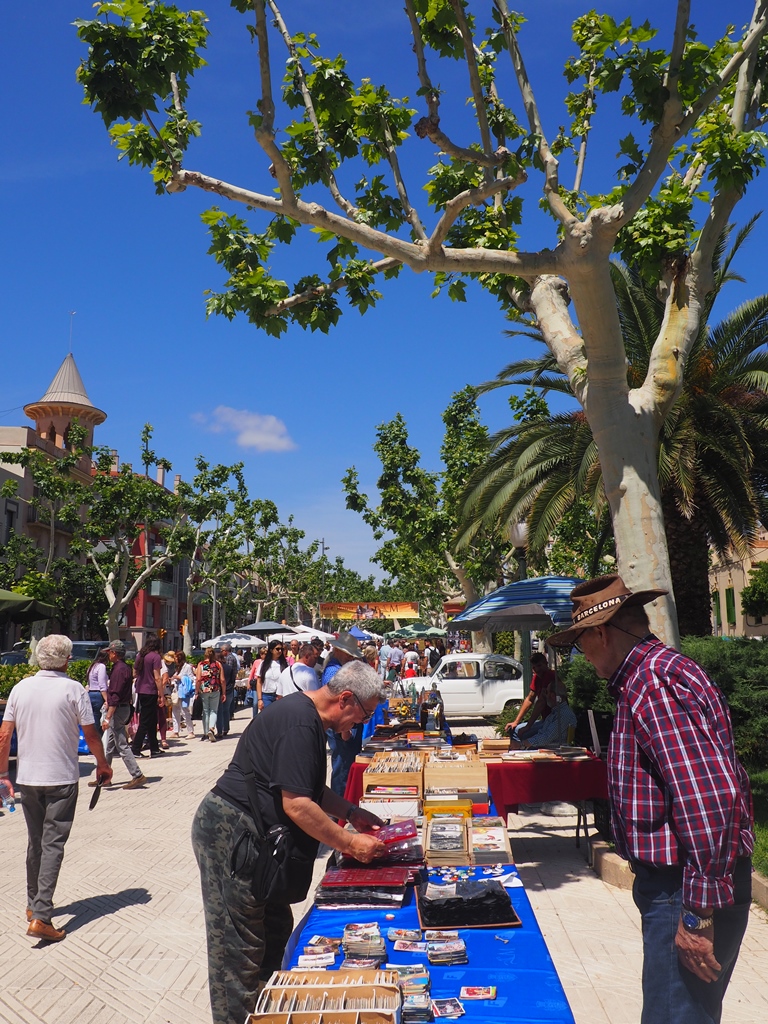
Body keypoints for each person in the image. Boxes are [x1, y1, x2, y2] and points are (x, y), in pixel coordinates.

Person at [547, 574, 753, 1024]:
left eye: (580, 642)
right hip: (680, 885)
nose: (582, 654)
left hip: (685, 887)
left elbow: (707, 798)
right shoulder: (646, 677)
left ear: (600, 632)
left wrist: (697, 915)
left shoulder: (652, 684)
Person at [191, 660, 387, 1024]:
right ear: (345, 699)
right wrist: (350, 843)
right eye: (365, 713)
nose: (362, 723)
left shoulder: (308, 718)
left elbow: (306, 786)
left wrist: (350, 811)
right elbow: (297, 805)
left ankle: (267, 1013)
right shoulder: (300, 721)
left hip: (259, 836)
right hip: (233, 834)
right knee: (238, 949)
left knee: (275, 930)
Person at [0, 634, 113, 942]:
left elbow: (4, 735)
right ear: (66, 660)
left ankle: (32, 903)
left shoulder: (21, 688)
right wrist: (102, 764)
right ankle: (41, 915)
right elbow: (90, 735)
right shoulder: (73, 689)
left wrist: (2, 774)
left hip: (28, 777)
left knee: (35, 841)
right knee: (53, 844)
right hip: (61, 777)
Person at [99, 639, 146, 790]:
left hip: (118, 709)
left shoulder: (118, 670)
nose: (108, 655)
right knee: (110, 744)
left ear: (114, 653)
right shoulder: (125, 667)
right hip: (123, 708)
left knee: (121, 744)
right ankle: (104, 777)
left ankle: (137, 775)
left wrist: (108, 717)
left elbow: (115, 696)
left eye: (109, 653)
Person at [323, 632, 365, 797]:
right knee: (343, 768)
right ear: (338, 650)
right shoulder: (334, 671)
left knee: (346, 766)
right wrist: (344, 731)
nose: (351, 657)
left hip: (346, 725)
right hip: (342, 726)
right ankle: (340, 809)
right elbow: (338, 705)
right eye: (349, 654)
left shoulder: (338, 668)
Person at [504, 651, 557, 742]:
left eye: (539, 666)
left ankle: (519, 752)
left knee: (519, 733)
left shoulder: (550, 675)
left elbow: (541, 702)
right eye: (534, 667)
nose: (537, 669)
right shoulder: (536, 678)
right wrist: (516, 721)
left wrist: (528, 726)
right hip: (546, 720)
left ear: (546, 664)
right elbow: (530, 698)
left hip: (554, 720)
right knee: (516, 729)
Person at [130, 636, 164, 759]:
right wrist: (161, 694)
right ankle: (135, 748)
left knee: (152, 720)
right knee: (145, 721)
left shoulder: (141, 655)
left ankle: (154, 748)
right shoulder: (156, 657)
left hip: (141, 690)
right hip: (151, 691)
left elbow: (134, 673)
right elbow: (157, 677)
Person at [196, 647, 224, 742]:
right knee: (213, 711)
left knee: (205, 711)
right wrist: (223, 692)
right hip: (215, 689)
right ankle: (211, 728)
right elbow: (222, 680)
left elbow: (198, 679)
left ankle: (205, 733)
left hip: (204, 690)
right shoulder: (218, 664)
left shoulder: (201, 664)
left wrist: (196, 691)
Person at [256, 640, 287, 713]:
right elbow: (259, 682)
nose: (280, 651)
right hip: (267, 696)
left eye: (281, 649)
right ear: (271, 650)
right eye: (277, 649)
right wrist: (260, 699)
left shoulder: (284, 664)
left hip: (280, 696)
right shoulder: (263, 664)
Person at [216, 642, 239, 738]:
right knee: (226, 710)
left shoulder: (220, 667)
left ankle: (220, 730)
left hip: (222, 690)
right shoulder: (229, 666)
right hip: (230, 689)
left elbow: (222, 680)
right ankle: (226, 728)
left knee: (219, 710)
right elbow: (233, 676)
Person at [86, 649, 110, 737]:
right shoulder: (101, 667)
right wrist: (107, 700)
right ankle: (97, 742)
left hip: (90, 694)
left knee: (92, 720)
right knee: (97, 720)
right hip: (98, 695)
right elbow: (102, 685)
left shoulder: (92, 666)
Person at [172, 651, 196, 738]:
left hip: (184, 692)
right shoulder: (178, 668)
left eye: (175, 658)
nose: (174, 660)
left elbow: (191, 679)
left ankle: (190, 731)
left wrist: (180, 678)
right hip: (177, 691)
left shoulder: (187, 667)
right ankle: (176, 731)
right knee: (175, 711)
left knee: (185, 711)